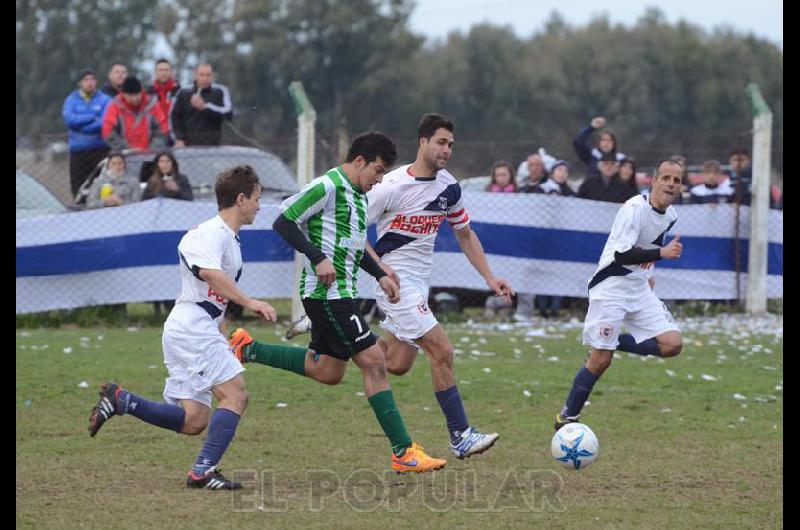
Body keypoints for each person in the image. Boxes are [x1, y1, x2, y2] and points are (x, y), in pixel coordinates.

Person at [228, 132, 447, 473]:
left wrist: (380, 274)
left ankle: (248, 349)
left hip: (339, 295)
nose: (379, 179)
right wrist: (316, 257)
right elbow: (283, 220)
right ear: (358, 161)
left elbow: (356, 247)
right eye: (377, 170)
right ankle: (403, 452)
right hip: (325, 294)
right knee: (375, 362)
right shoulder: (327, 186)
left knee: (327, 370)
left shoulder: (360, 196)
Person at [88, 165, 278, 490]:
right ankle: (203, 471)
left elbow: (213, 295)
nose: (259, 207)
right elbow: (209, 274)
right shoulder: (210, 232)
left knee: (194, 421)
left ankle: (121, 400)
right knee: (235, 395)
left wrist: (220, 332)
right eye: (257, 199)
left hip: (196, 327)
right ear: (241, 198)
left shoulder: (230, 240)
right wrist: (251, 302)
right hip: (190, 328)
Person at [365, 113, 513, 459]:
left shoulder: (449, 187)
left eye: (451, 144)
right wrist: (380, 269)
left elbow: (464, 234)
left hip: (419, 285)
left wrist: (490, 278)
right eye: (441, 142)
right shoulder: (390, 186)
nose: (447, 149)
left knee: (396, 363)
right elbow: (355, 230)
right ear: (423, 142)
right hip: (396, 285)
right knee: (442, 352)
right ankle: (460, 436)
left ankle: (332, 337)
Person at [554, 160, 685, 431]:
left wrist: (647, 276)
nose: (671, 184)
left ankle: (607, 343)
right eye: (666, 178)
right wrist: (661, 254)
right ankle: (567, 417)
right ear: (654, 181)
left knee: (672, 344)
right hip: (611, 287)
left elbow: (648, 246)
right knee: (601, 361)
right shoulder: (634, 209)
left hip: (638, 288)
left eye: (677, 180)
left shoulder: (670, 214)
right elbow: (622, 254)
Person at [62, 68, 112, 197]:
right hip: (78, 151)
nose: (90, 82)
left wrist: (81, 126)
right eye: (86, 80)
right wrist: (92, 117)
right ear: (80, 83)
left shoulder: (105, 100)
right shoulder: (71, 100)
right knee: (78, 188)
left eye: (92, 79)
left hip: (100, 150)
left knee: (102, 186)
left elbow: (105, 121)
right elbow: (70, 120)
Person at [170, 63, 233, 147]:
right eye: (202, 75)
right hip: (187, 146)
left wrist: (204, 107)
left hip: (213, 146)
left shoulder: (220, 92)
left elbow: (228, 113)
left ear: (212, 76)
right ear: (195, 75)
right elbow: (174, 118)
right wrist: (179, 138)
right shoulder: (183, 93)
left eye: (208, 75)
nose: (205, 78)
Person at [102, 75, 169, 151]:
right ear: (123, 94)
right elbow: (108, 131)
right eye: (130, 95)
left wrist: (152, 150)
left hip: (150, 154)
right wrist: (126, 149)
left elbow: (163, 129)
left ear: (141, 92)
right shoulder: (114, 106)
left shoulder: (152, 105)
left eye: (137, 94)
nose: (134, 98)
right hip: (123, 155)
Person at [146, 58, 181, 124]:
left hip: (174, 129)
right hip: (155, 130)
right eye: (160, 70)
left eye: (166, 70)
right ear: (155, 72)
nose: (164, 73)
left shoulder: (179, 92)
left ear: (171, 71)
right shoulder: (149, 93)